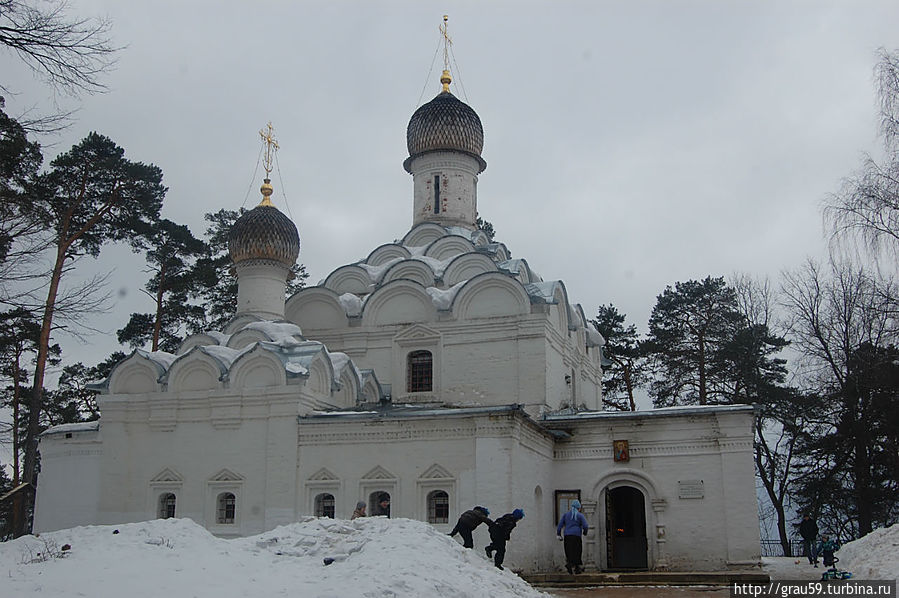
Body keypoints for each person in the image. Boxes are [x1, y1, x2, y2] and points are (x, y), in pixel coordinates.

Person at [557, 499, 589, 574]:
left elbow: (560, 525)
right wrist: (585, 532)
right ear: (579, 508)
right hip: (577, 536)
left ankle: (569, 564)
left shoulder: (566, 515)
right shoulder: (580, 515)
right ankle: (577, 568)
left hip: (567, 536)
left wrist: (558, 534)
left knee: (569, 551)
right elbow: (585, 525)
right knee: (577, 551)